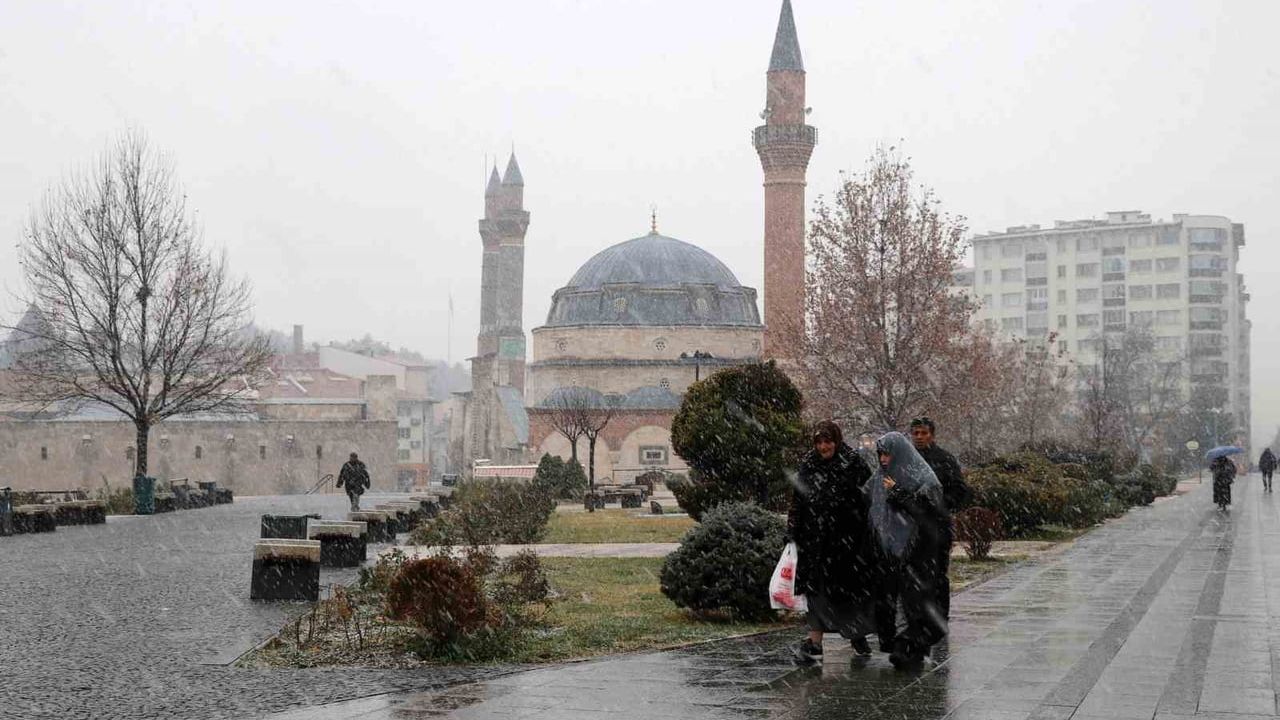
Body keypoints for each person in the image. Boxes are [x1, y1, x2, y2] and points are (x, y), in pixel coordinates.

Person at [787, 421, 881, 666]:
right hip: (815, 544)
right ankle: (814, 644)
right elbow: (798, 501)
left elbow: (869, 498)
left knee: (847, 593)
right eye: (819, 442)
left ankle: (856, 633)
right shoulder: (809, 465)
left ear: (836, 441)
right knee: (817, 593)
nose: (823, 447)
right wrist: (793, 531)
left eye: (827, 441)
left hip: (847, 544)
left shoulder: (853, 463)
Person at [870, 431, 949, 669]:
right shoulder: (881, 476)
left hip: (918, 551)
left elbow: (927, 511)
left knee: (913, 601)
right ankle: (903, 645)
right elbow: (868, 502)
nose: (883, 460)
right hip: (891, 551)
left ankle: (908, 646)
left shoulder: (923, 477)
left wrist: (898, 494)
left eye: (888, 454)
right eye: (881, 454)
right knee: (895, 599)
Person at [909, 417, 969, 624]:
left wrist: (939, 504)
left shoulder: (944, 459)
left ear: (932, 435)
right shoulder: (906, 459)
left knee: (937, 573)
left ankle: (939, 616)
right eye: (915, 433)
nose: (919, 437)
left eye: (923, 433)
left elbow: (959, 491)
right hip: (911, 526)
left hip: (937, 525)